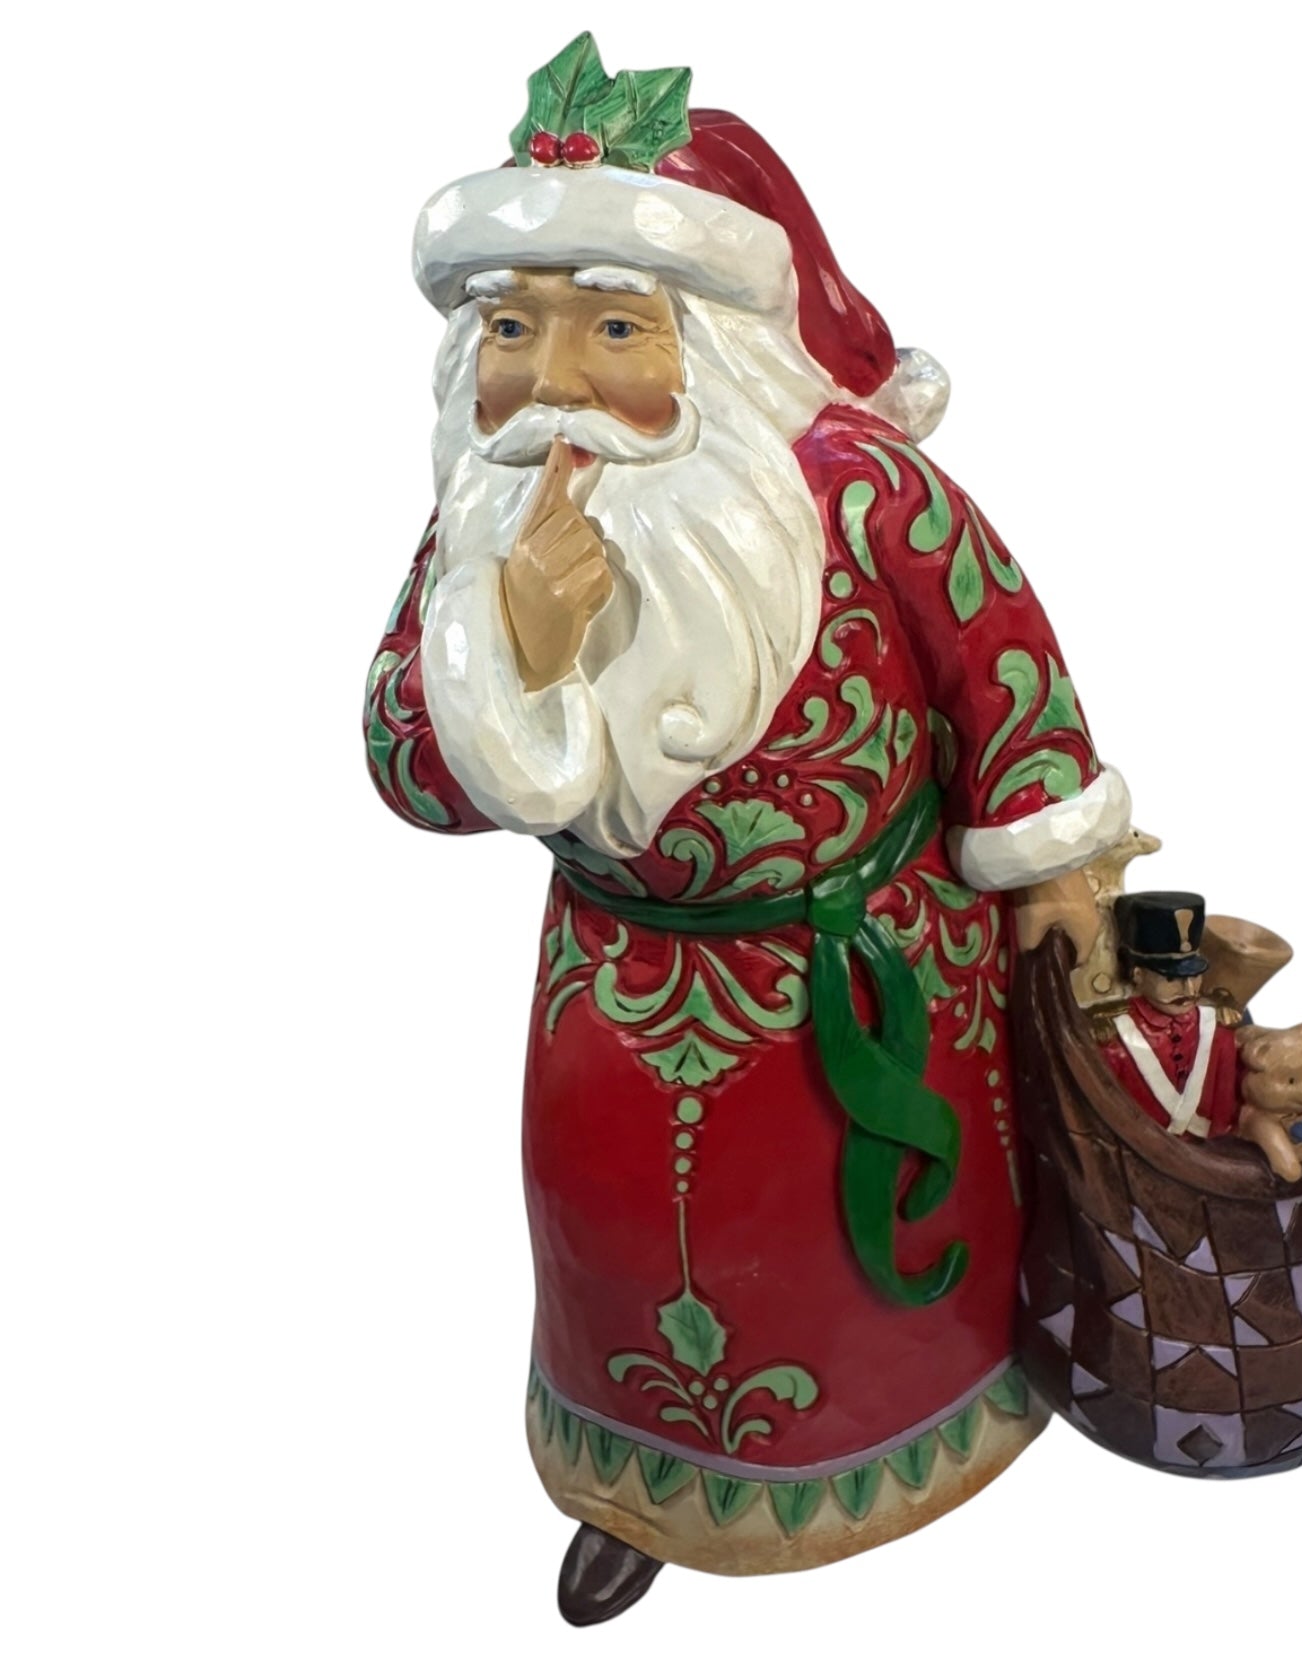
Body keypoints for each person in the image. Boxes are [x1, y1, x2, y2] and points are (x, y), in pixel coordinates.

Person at [364, 34, 1131, 1625]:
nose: (553, 380)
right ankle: (649, 1483)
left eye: (612, 327)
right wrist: (511, 653)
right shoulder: (483, 527)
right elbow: (406, 768)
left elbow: (1005, 669)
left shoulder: (862, 491)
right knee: (626, 1253)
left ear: (710, 341)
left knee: (892, 1248)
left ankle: (945, 1423)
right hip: (618, 1004)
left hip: (880, 981)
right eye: (511, 327)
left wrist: (1059, 869)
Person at [1096, 892, 1243, 1139]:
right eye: (1171, 978)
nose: (1189, 990)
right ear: (1138, 975)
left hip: (1205, 1151)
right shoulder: (1113, 1037)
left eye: (1195, 976)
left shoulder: (1217, 1031)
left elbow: (1223, 1112)